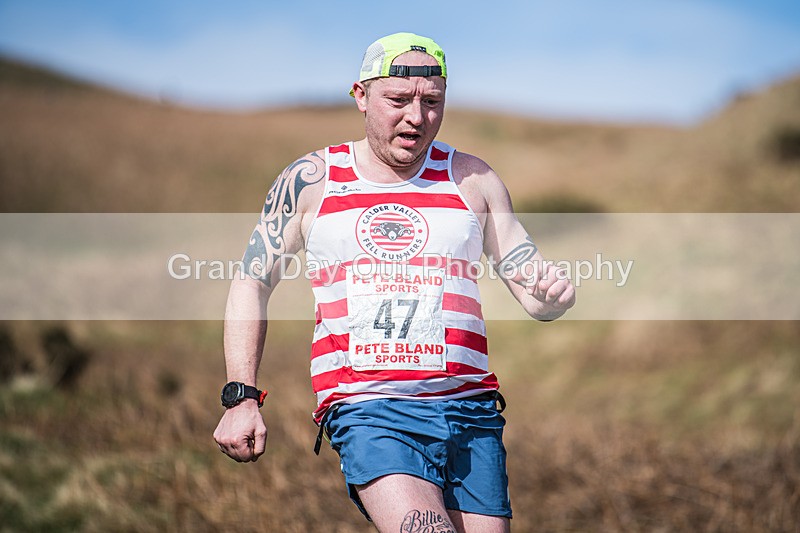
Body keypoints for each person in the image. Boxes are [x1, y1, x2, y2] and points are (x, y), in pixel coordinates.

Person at [214, 32, 575, 532]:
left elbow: (534, 294)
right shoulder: (312, 180)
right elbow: (251, 283)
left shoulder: (473, 179)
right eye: (398, 100)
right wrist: (241, 396)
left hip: (470, 413)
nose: (416, 117)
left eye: (432, 102)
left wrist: (552, 295)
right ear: (361, 96)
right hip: (371, 410)